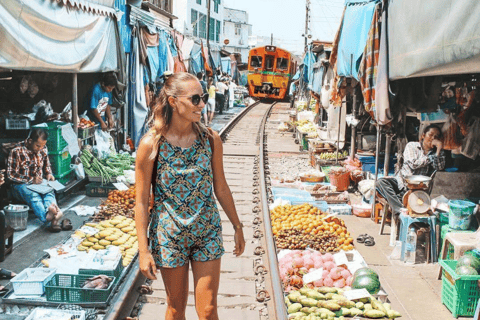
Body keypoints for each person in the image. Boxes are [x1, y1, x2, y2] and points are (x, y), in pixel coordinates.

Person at [135, 72, 245, 320]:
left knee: (207, 311)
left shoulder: (210, 139)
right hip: (169, 235)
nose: (202, 105)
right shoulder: (152, 145)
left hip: (207, 231)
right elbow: (141, 201)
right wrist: (144, 250)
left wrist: (237, 225)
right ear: (174, 102)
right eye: (195, 99)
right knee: (176, 309)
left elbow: (222, 187)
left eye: (203, 97)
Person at [376, 124, 446, 216]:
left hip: (417, 188)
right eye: (431, 135)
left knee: (406, 198)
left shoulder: (437, 152)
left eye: (436, 137)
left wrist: (438, 152)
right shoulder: (412, 146)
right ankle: (399, 209)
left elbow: (439, 167)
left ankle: (398, 204)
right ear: (423, 135)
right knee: (380, 182)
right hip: (401, 182)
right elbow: (413, 164)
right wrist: (430, 158)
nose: (433, 138)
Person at [6, 128, 63, 232]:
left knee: (49, 191)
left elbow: (47, 165)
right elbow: (11, 175)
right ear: (30, 141)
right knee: (34, 195)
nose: (40, 148)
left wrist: (49, 174)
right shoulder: (17, 151)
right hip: (20, 185)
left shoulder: (43, 148)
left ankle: (52, 214)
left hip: (39, 183)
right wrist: (31, 179)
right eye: (38, 146)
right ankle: (49, 217)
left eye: (42, 146)